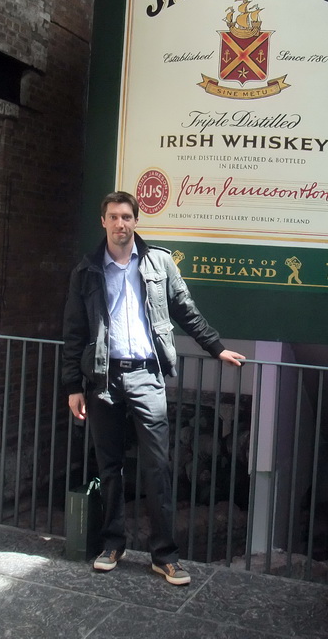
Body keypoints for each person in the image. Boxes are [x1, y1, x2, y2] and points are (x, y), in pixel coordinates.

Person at [62, 190, 245, 586]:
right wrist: (73, 386)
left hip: (147, 375)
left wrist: (216, 347)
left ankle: (165, 555)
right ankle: (113, 543)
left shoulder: (159, 262)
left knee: (158, 466)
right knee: (109, 466)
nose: (120, 223)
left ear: (136, 221)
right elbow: (74, 333)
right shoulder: (87, 270)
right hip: (103, 378)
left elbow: (185, 310)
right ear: (104, 222)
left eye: (127, 216)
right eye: (113, 216)